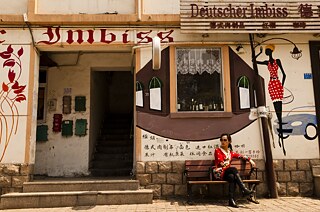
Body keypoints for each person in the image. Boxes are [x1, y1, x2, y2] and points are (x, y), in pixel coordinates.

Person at [255, 44, 287, 155]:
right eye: (266, 51)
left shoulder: (277, 61)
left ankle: (281, 135)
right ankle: (280, 135)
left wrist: (281, 86)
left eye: (268, 50)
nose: (267, 52)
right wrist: (258, 52)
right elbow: (254, 61)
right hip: (272, 84)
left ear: (271, 51)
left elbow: (284, 74)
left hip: (277, 83)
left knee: (280, 108)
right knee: (276, 108)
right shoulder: (266, 62)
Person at [213, 133, 256, 208]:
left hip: (227, 173)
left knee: (232, 177)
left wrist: (250, 160)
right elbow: (222, 164)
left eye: (225, 140)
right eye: (221, 140)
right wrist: (226, 164)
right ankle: (244, 189)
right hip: (219, 173)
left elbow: (240, 156)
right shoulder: (217, 151)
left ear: (229, 141)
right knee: (233, 169)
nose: (223, 142)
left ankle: (231, 200)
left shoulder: (230, 152)